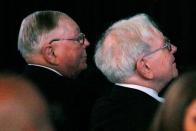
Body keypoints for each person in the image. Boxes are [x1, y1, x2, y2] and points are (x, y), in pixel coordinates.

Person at [90, 13, 178, 131]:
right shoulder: (157, 118)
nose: (174, 48)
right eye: (166, 45)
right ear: (145, 67)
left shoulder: (105, 108)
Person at [17, 10, 90, 131]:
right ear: (51, 53)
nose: (86, 43)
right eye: (78, 38)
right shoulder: (79, 98)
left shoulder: (9, 94)